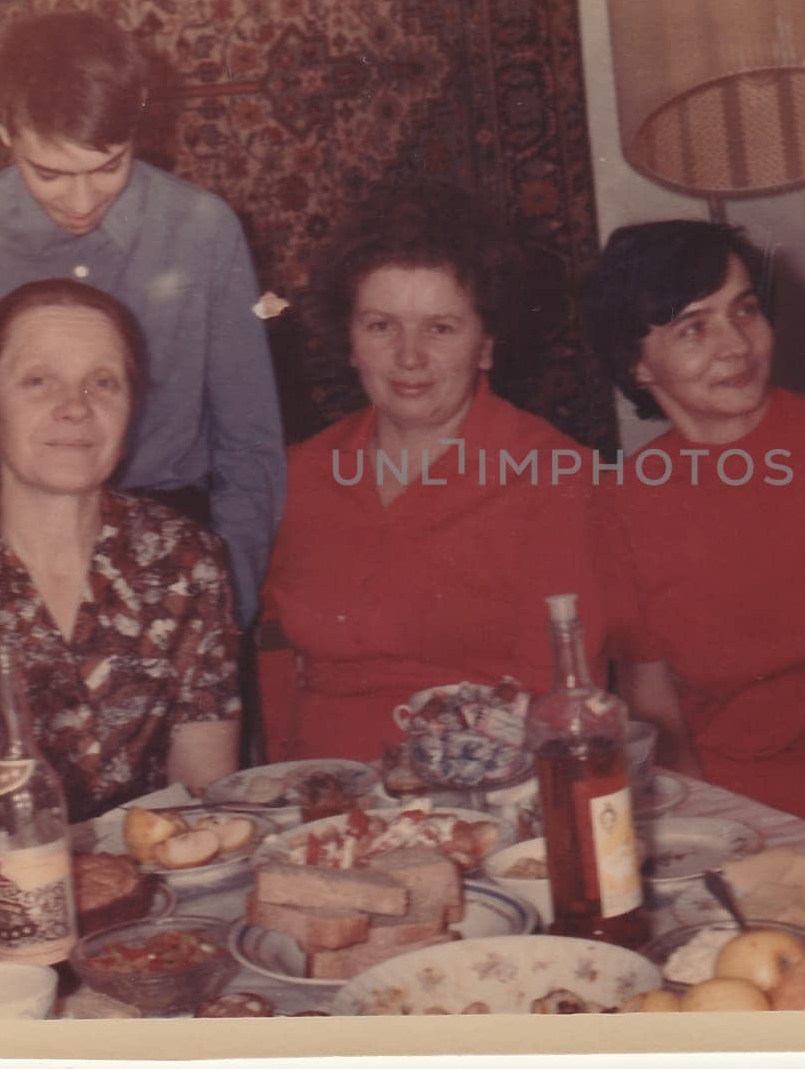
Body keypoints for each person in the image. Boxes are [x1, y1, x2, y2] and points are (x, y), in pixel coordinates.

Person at [0, 10, 284, 631]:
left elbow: (250, 448)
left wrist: (223, 611)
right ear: (1, 125)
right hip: (12, 548)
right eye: (49, 173)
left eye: (108, 167)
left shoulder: (203, 229)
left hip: (176, 549)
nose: (82, 203)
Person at [0, 281, 242, 853]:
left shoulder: (189, 563)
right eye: (38, 381)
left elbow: (204, 823)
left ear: (129, 414)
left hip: (168, 913)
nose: (75, 406)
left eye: (103, 382)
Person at [257, 194, 609, 763]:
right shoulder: (295, 473)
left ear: (486, 345)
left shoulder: (557, 476)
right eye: (381, 327)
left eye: (440, 329)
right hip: (318, 801)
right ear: (349, 341)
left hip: (485, 792)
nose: (409, 357)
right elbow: (271, 660)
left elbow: (560, 695)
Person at [580, 221, 805, 820]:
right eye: (694, 328)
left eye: (744, 311)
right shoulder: (623, 502)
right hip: (744, 812)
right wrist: (721, 835)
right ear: (637, 364)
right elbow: (654, 705)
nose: (736, 346)